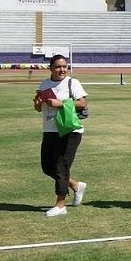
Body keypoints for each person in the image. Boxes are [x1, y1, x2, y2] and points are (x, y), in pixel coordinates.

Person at [33, 54, 87, 217]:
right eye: (57, 66)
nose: (61, 69)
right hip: (49, 131)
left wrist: (61, 103)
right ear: (50, 68)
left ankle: (60, 204)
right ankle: (75, 185)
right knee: (47, 167)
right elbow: (39, 109)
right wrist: (37, 103)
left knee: (61, 166)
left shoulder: (73, 82)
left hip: (69, 131)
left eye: (64, 66)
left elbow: (82, 102)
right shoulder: (44, 84)